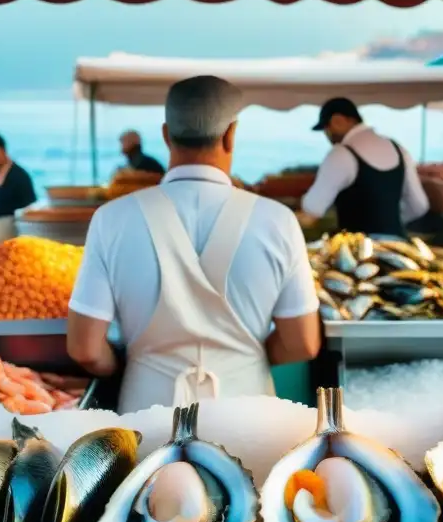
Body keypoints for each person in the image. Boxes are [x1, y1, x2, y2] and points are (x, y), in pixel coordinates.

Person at [68, 76, 321, 413]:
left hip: (148, 417)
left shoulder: (111, 218)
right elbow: (302, 342)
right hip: (250, 418)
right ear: (231, 135)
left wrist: (122, 366)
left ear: (165, 135)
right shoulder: (278, 220)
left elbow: (84, 348)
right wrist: (245, 357)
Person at [297, 98, 430, 237]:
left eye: (326, 128)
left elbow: (313, 210)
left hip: (359, 251)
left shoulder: (341, 154)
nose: (327, 135)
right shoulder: (399, 149)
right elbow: (420, 206)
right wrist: (387, 220)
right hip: (397, 245)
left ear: (338, 120)